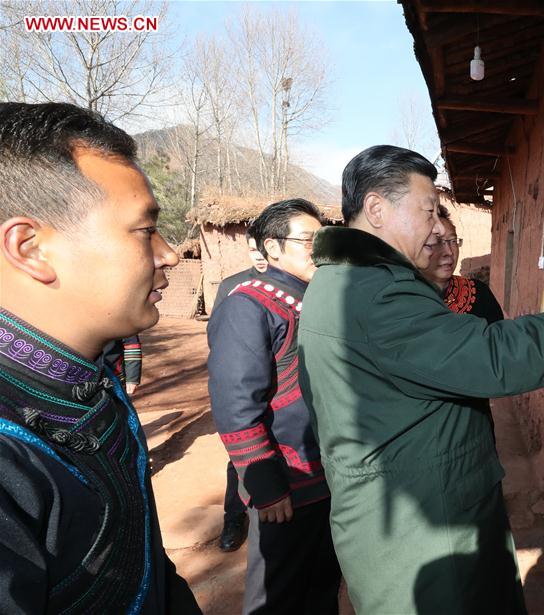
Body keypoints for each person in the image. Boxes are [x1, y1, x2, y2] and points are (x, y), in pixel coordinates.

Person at [298, 144, 544, 614]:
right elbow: (496, 356)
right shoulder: (377, 293)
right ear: (376, 209)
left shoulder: (340, 282)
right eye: (428, 211)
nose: (435, 228)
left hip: (407, 511)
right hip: (421, 530)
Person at [0, 102, 199, 613]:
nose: (169, 254)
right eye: (144, 230)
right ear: (30, 248)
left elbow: (146, 560)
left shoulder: (90, 380)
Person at [207, 199, 341, 615]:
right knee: (278, 594)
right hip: (287, 483)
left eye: (323, 240)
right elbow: (236, 404)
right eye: (307, 240)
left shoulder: (317, 298)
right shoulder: (248, 305)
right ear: (272, 247)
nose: (318, 249)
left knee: (322, 585)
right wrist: (266, 487)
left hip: (328, 475)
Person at [211, 225, 267, 552]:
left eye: (263, 249)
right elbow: (218, 339)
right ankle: (234, 516)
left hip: (283, 389)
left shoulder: (296, 285)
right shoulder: (232, 286)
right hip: (242, 386)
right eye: (252, 250)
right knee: (241, 456)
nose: (258, 257)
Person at [421, 204, 504, 323]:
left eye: (453, 241)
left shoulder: (479, 293)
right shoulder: (399, 298)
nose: (449, 252)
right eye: (437, 242)